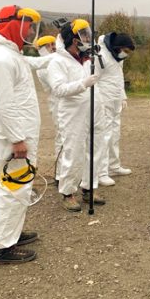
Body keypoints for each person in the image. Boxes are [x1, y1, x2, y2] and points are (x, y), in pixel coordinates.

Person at [0, 5, 48, 264]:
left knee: (20, 188)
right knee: (11, 188)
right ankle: (2, 247)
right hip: (13, 136)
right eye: (27, 24)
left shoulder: (10, 53)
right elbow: (4, 102)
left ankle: (12, 233)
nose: (30, 29)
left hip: (18, 133)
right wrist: (17, 138)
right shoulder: (0, 58)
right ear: (12, 24)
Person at [47, 19, 105, 211]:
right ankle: (68, 192)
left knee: (96, 149)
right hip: (72, 112)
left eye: (87, 34)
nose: (87, 38)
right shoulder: (58, 61)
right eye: (83, 35)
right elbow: (58, 89)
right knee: (73, 151)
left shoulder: (86, 58)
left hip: (93, 107)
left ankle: (89, 187)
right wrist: (83, 84)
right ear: (72, 39)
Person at [94, 32, 136, 187]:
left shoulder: (118, 58)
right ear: (117, 47)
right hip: (103, 101)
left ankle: (114, 166)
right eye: (125, 50)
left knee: (115, 135)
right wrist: (98, 101)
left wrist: (123, 96)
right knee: (104, 136)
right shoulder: (101, 56)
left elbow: (118, 77)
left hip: (115, 101)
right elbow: (94, 79)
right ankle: (101, 172)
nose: (126, 53)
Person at [34, 35, 62, 183]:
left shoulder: (50, 61)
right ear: (44, 47)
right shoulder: (45, 65)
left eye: (54, 43)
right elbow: (57, 85)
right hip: (57, 101)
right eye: (51, 45)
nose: (54, 47)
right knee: (61, 137)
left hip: (59, 100)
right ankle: (59, 174)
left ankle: (64, 172)